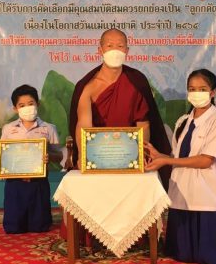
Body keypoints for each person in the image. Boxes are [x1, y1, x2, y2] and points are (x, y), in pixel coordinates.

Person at [144, 69, 216, 264]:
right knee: (181, 255)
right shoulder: (183, 121)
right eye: (192, 89)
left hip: (205, 191)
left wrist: (167, 161)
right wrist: (160, 156)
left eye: (202, 89)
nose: (196, 93)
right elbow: (178, 156)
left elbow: (205, 161)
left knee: (214, 255)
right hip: (181, 190)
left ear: (213, 92)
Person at [69, 28, 171, 188]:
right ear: (100, 50)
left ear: (127, 51)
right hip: (98, 155)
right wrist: (84, 156)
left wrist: (139, 156)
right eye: (110, 46)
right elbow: (83, 125)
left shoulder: (136, 81)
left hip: (128, 156)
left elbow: (143, 124)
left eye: (120, 46)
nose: (115, 51)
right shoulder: (88, 87)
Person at [1, 84, 59, 234]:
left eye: (30, 103)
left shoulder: (49, 128)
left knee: (40, 227)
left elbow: (59, 156)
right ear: (15, 108)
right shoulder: (8, 129)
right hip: (14, 183)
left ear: (37, 104)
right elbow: (3, 154)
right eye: (22, 105)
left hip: (38, 183)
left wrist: (49, 156)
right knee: (13, 228)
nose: (27, 108)